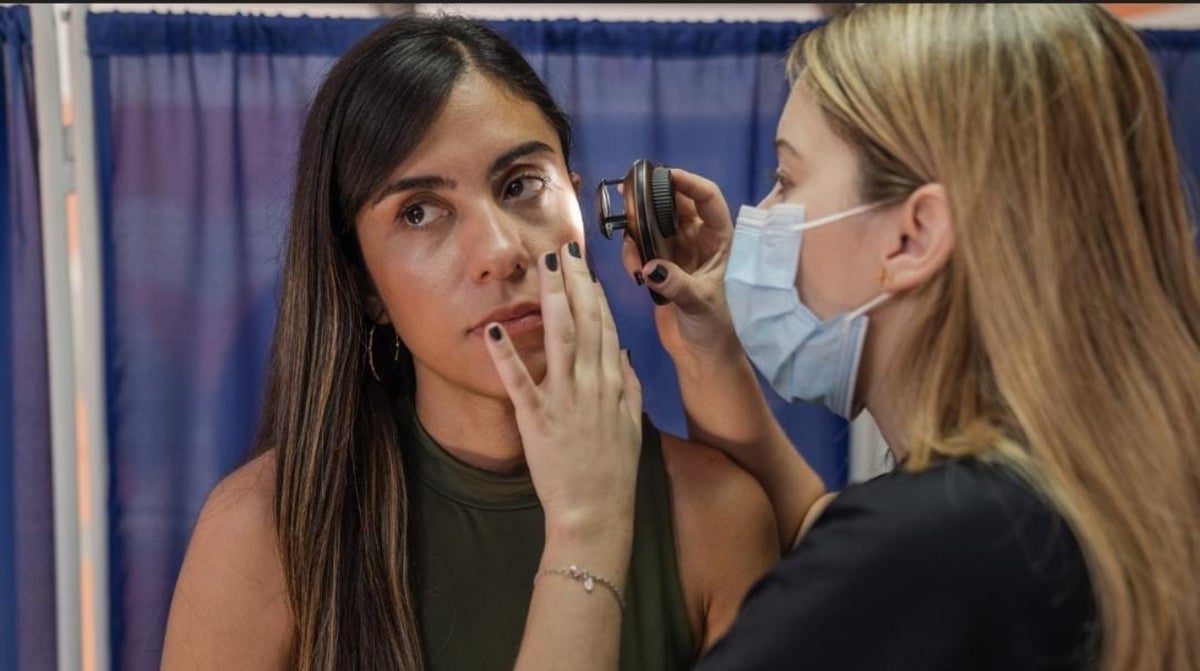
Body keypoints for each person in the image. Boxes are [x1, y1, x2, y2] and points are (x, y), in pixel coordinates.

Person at [489, 3, 1200, 670]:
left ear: (914, 235)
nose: (762, 214)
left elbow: (868, 564)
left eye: (786, 178)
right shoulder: (1075, 492)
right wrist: (711, 347)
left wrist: (585, 524)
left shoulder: (931, 549)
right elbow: (824, 532)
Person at [159, 15, 780, 671]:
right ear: (364, 283)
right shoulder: (263, 534)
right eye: (419, 211)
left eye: (520, 185)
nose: (499, 252)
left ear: (579, 200)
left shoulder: (717, 517)